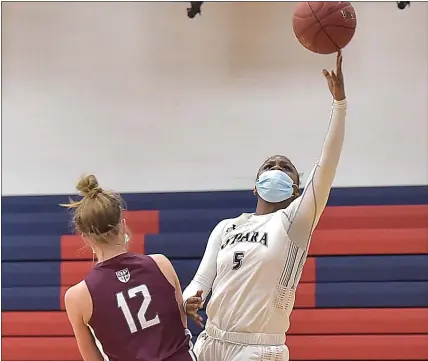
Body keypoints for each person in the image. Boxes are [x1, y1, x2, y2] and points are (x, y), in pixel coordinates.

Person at [183, 51, 347, 361]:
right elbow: (200, 283)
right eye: (269, 165)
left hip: (258, 348)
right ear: (255, 184)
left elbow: (326, 165)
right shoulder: (226, 227)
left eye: (285, 167)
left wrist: (339, 106)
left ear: (296, 189)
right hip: (210, 342)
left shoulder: (294, 221)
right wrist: (188, 300)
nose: (276, 165)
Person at [63, 175, 196, 361]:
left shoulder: (77, 297)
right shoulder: (161, 264)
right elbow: (182, 328)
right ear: (123, 225)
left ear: (85, 238)